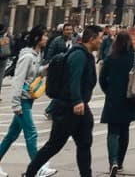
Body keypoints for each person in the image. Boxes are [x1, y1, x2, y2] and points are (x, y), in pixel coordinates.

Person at [25, 24, 103, 177]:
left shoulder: (84, 54)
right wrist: (77, 101)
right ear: (92, 39)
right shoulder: (79, 55)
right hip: (69, 107)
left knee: (84, 143)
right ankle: (30, 173)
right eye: (100, 38)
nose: (101, 41)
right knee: (54, 145)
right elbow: (74, 80)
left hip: (79, 107)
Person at [0, 26, 56, 177]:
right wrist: (15, 103)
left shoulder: (37, 55)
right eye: (44, 36)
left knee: (11, 136)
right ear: (37, 38)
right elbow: (18, 80)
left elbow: (34, 74)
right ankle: (38, 167)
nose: (46, 38)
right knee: (31, 133)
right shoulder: (28, 57)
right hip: (23, 100)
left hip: (29, 99)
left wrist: (45, 69)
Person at [99, 30, 135, 177]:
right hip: (129, 97)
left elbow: (102, 78)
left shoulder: (110, 57)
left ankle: (112, 161)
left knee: (112, 132)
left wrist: (109, 90)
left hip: (113, 97)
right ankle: (119, 163)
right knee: (124, 131)